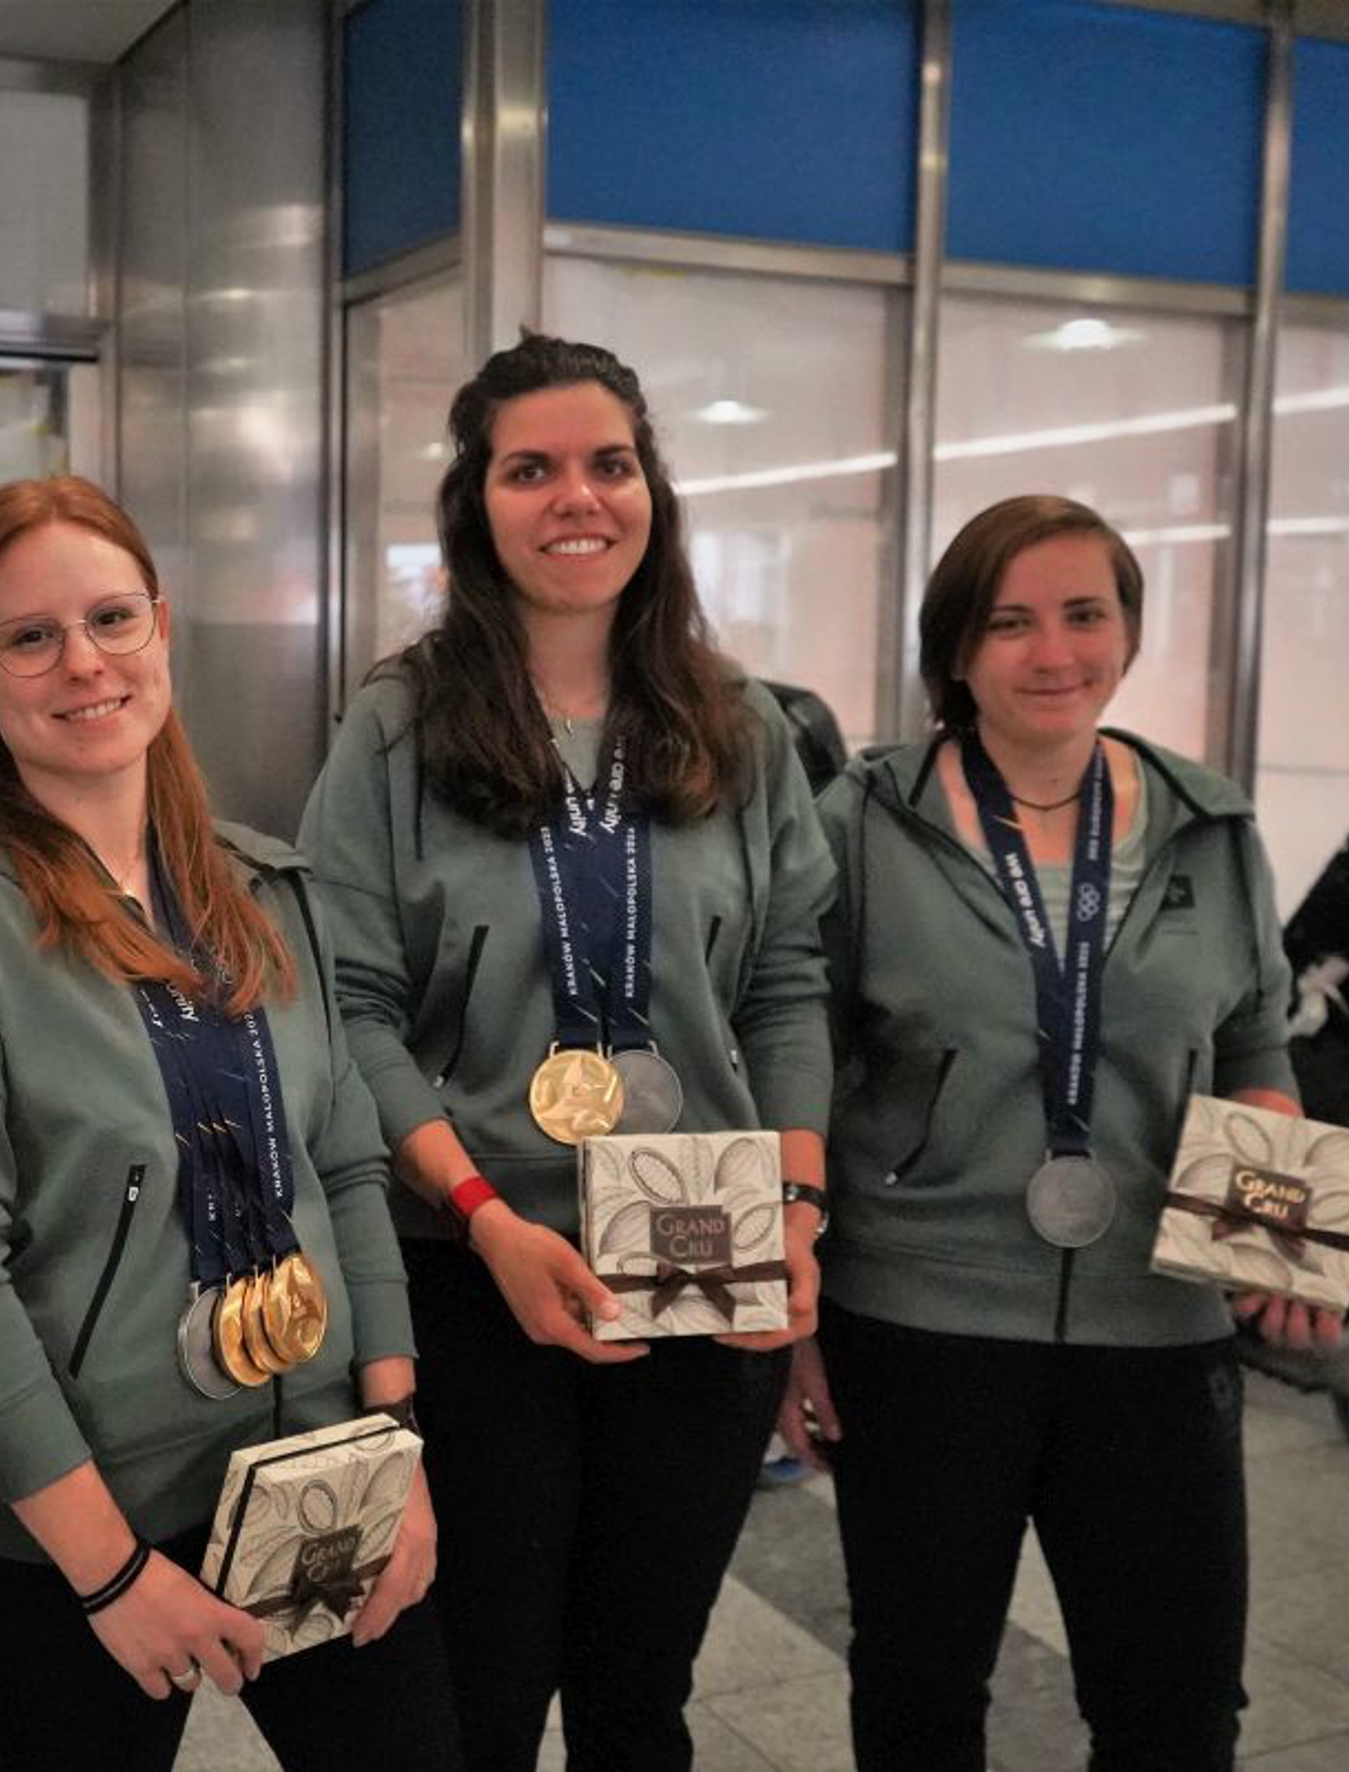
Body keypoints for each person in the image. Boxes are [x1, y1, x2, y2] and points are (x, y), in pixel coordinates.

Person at [0, 474, 460, 1772]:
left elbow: (346, 1166)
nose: (83, 663)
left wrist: (393, 1441)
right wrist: (108, 1573)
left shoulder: (264, 889)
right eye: (30, 636)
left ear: (161, 629)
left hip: (315, 1467)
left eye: (111, 619)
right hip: (81, 1528)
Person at [297, 334, 834, 1771]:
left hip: (701, 1261)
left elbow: (785, 980)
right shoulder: (395, 726)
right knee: (482, 1691)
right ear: (474, 503)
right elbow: (343, 1003)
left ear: (651, 488)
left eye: (607, 464)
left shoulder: (738, 726)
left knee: (639, 1690)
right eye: (528, 470)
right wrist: (478, 1219)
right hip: (476, 1273)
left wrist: (796, 1206)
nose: (574, 498)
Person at [785, 494, 1349, 1771]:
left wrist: (1286, 1231)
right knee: (921, 1695)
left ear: (1130, 629)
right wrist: (794, 1316)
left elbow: (1257, 1042)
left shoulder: (1212, 826)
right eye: (1012, 622)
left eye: (1086, 614)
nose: (1056, 653)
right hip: (921, 1326)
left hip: (1159, 1331)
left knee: (1177, 1708)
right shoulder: (859, 827)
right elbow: (796, 1066)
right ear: (956, 650)